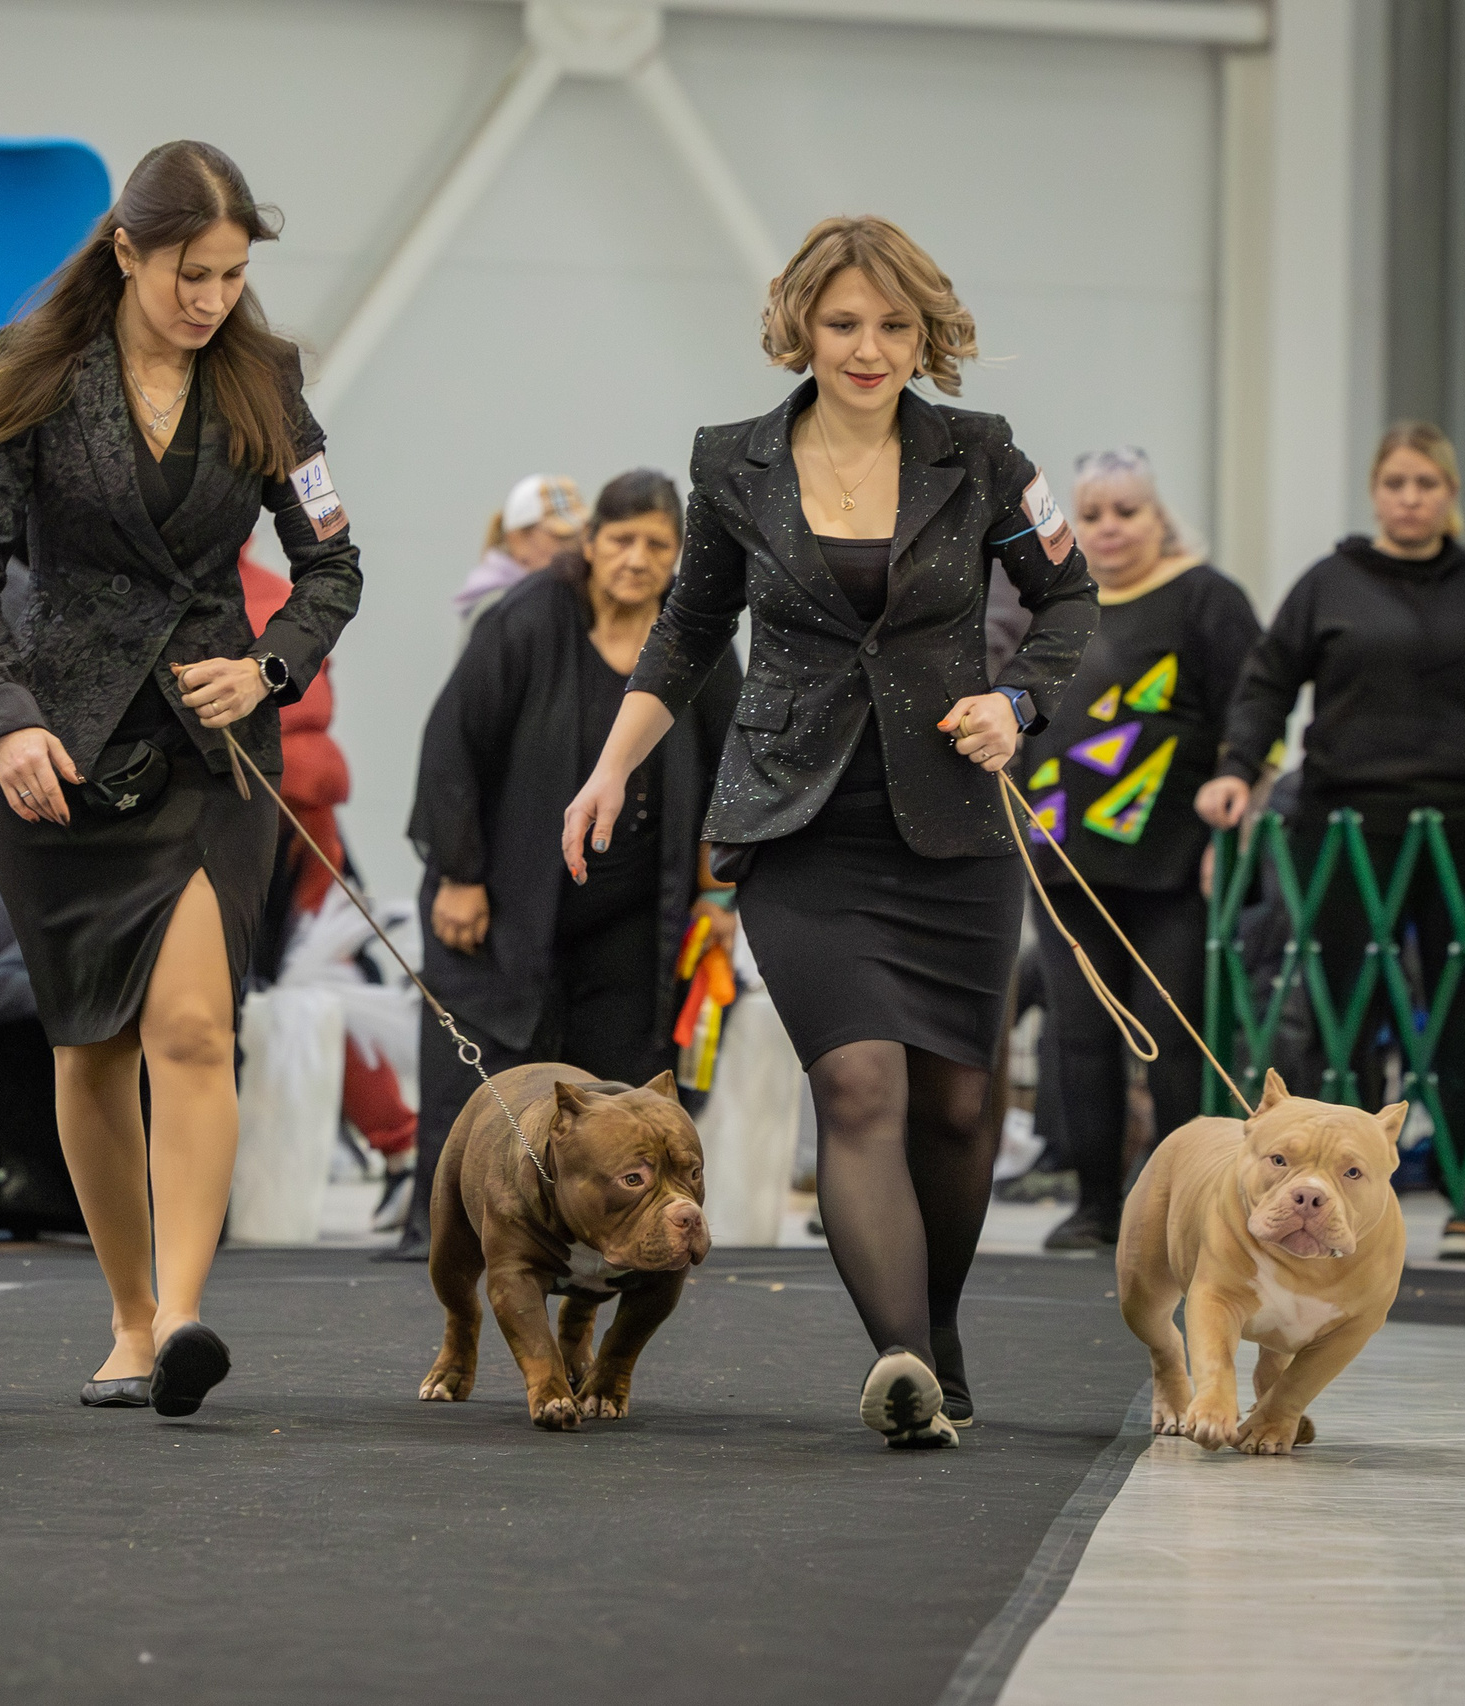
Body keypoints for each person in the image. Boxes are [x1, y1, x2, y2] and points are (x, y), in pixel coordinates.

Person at [565, 216, 1096, 1448]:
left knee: (960, 1110)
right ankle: (900, 1360)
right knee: (858, 1087)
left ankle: (939, 1330)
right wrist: (607, 771)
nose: (869, 348)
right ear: (800, 324)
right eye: (845, 322)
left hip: (954, 821)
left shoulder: (980, 453)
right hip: (798, 822)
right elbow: (688, 634)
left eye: (895, 326)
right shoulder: (733, 463)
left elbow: (1068, 598)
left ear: (926, 334)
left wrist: (1017, 702)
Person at [0, 140, 361, 1417]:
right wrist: (7, 719)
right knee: (88, 1045)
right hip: (57, 760)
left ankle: (181, 1310)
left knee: (188, 1028)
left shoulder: (266, 382)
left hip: (210, 752)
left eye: (231, 276)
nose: (211, 299)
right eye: (189, 272)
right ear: (124, 250)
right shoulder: (35, 377)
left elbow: (332, 566)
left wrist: (273, 669)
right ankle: (126, 1313)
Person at [1200, 422, 1465, 1263]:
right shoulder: (1329, 583)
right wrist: (1239, 768)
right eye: (1395, 483)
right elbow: (1267, 682)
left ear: (1449, 494)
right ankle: (1337, 1206)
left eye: (1425, 484)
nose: (1409, 498)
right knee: (1342, 1012)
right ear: (1375, 491)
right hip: (1346, 822)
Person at [386, 470, 739, 1263]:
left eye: (657, 544)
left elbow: (733, 773)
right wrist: (459, 874)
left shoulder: (698, 640)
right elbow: (453, 750)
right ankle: (452, 1235)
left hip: (636, 914)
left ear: (679, 555)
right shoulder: (526, 621)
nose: (637, 559)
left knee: (619, 1089)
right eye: (621, 540)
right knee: (481, 1079)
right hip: (504, 903)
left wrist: (721, 896)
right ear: (590, 545)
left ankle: (612, 1239)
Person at [1020, 449, 1259, 1251]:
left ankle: (1180, 1208)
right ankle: (1095, 1204)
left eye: (1129, 511)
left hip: (1170, 867)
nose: (1111, 528)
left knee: (1174, 1035)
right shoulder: (1051, 605)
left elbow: (1250, 714)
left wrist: (1238, 800)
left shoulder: (1207, 599)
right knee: (1079, 1037)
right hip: (1063, 868)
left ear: (1160, 518)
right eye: (1093, 513)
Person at [237, 547, 420, 1230]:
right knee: (322, 987)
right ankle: (402, 1149)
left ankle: (403, 1147)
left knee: (312, 987)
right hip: (294, 816)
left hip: (275, 820)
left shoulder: (250, 594)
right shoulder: (275, 590)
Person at [452, 473, 585, 642]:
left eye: (581, 533)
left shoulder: (560, 594)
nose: (576, 546)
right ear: (518, 539)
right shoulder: (497, 605)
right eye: (561, 537)